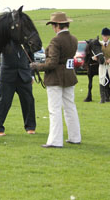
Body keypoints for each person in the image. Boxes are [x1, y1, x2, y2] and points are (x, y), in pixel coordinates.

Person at [30, 12, 81, 148]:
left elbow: (52, 63)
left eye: (53, 25)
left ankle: (55, 141)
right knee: (70, 107)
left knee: (55, 109)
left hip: (55, 79)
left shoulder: (56, 41)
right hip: (69, 76)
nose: (53, 28)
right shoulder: (74, 39)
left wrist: (37, 66)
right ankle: (75, 137)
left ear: (58, 25)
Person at [0, 41, 36, 136]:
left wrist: (32, 75)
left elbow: (31, 59)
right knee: (4, 102)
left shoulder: (27, 43)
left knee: (29, 101)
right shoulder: (4, 42)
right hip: (8, 77)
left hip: (24, 76)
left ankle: (30, 127)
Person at [93, 27, 110, 104]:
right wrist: (94, 57)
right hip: (102, 65)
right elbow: (96, 53)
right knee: (101, 80)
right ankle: (102, 98)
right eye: (103, 36)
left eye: (106, 36)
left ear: (108, 36)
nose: (104, 37)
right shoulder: (99, 44)